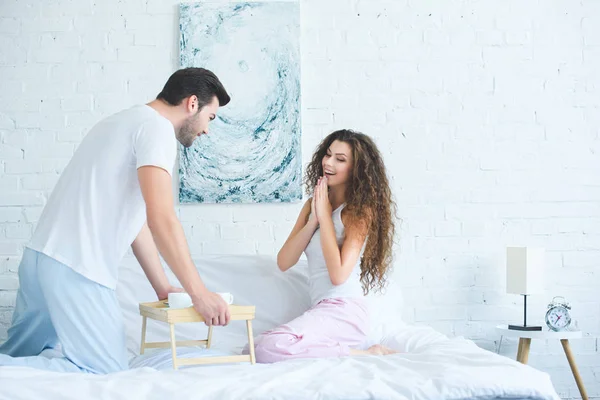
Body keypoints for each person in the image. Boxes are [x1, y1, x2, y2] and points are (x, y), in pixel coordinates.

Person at [0, 68, 232, 374]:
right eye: (210, 117)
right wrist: (199, 294)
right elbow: (161, 216)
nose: (207, 130)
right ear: (192, 104)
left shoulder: (119, 121)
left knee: (14, 360)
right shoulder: (157, 130)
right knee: (105, 374)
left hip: (41, 259)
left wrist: (162, 287)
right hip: (77, 269)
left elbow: (134, 221)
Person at [246, 129, 398, 363]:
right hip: (322, 308)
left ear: (356, 169)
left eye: (340, 159)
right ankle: (346, 351)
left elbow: (338, 275)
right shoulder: (313, 205)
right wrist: (314, 220)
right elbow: (284, 262)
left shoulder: (358, 212)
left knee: (267, 349)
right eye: (328, 155)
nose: (328, 162)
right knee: (252, 347)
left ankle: (366, 353)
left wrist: (326, 217)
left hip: (346, 311)